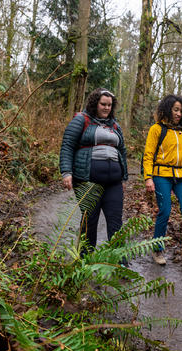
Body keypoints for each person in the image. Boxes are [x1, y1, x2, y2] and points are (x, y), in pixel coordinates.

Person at [59, 88, 128, 255]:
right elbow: (67, 145)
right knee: (90, 221)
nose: (106, 108)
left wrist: (123, 175)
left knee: (115, 222)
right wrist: (66, 172)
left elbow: (122, 151)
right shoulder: (81, 120)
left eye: (109, 105)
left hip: (113, 182)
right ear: (95, 103)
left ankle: (119, 261)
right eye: (103, 104)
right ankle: (85, 260)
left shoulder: (115, 125)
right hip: (87, 180)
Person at [142, 94, 182, 268]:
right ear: (167, 109)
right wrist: (148, 177)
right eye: (175, 110)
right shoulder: (156, 129)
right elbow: (148, 155)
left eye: (181, 111)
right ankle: (157, 249)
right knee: (165, 211)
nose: (178, 114)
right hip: (161, 175)